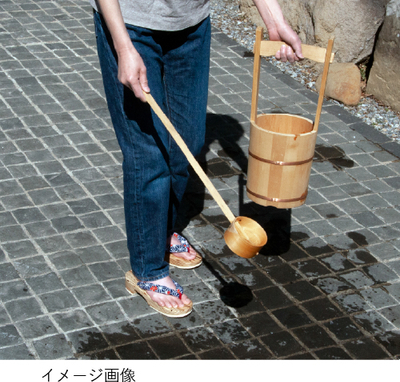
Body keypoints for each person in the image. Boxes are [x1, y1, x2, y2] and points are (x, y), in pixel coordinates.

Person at [90, 0, 303, 317]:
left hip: (191, 25)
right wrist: (123, 47)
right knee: (149, 155)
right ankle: (147, 271)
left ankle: (162, 233)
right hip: (130, 23)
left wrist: (275, 21)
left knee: (187, 143)